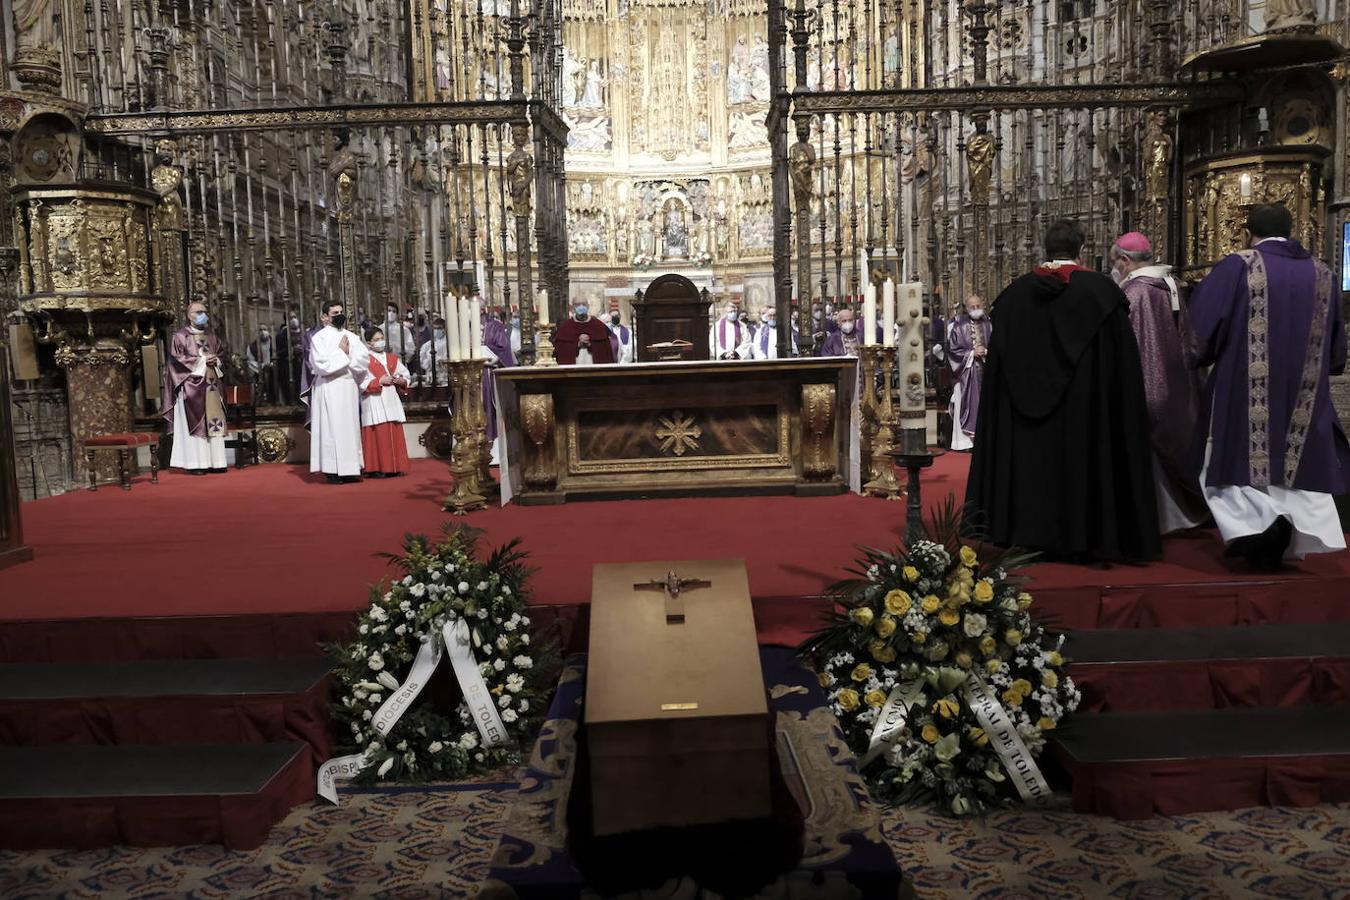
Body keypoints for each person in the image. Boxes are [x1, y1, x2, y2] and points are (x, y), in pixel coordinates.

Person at [965, 219, 1160, 562]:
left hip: (1024, 428)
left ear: (1045, 248)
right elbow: (1122, 373)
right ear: (1081, 249)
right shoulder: (1101, 294)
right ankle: (1086, 535)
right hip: (1085, 417)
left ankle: (1022, 530)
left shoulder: (1013, 296)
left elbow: (997, 371)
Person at [1188, 204, 1348, 568]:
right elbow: (1337, 345)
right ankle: (1289, 531)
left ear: (1249, 231)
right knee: (1294, 465)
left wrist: (1195, 355)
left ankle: (1256, 531)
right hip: (1303, 394)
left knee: (1234, 457)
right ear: (1292, 231)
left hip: (1243, 387)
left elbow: (1202, 327)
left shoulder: (1239, 266)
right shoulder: (1322, 272)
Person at [1110, 231, 1208, 533]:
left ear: (1125, 261)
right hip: (1179, 383)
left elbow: (1127, 346)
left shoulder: (1135, 293)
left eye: (1115, 262)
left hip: (1147, 385)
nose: (1114, 268)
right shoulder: (1173, 286)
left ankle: (1160, 520)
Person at [307, 301, 370, 483]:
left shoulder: (352, 337)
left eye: (341, 312)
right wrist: (343, 353)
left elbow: (363, 362)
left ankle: (350, 469)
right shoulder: (319, 338)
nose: (339, 315)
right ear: (325, 316)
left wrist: (348, 353)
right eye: (335, 313)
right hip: (329, 386)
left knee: (349, 428)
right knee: (331, 429)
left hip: (347, 386)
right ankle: (332, 470)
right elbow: (321, 364)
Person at [164, 301, 228, 474]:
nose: (203, 315)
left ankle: (217, 462)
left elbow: (221, 355)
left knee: (214, 422)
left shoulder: (212, 336)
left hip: (213, 385)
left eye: (205, 311)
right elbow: (176, 362)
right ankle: (196, 463)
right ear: (188, 315)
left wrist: (217, 361)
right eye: (198, 312)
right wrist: (202, 361)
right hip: (191, 388)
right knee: (196, 423)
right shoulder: (180, 336)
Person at [359, 326, 411, 478]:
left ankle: (396, 466)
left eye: (381, 338)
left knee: (393, 430)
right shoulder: (364, 359)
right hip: (374, 399)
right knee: (377, 433)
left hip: (391, 398)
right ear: (369, 343)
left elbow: (406, 375)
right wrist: (380, 380)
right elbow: (360, 381)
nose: (380, 342)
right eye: (376, 340)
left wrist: (402, 380)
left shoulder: (392, 358)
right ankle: (377, 468)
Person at [947, 294, 992, 452]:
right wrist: (972, 353)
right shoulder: (959, 328)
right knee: (966, 405)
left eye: (978, 306)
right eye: (972, 307)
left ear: (983, 305)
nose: (976, 309)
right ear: (966, 309)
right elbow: (952, 351)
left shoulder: (990, 325)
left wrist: (985, 351)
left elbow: (998, 347)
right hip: (966, 374)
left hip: (986, 372)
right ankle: (966, 443)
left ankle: (985, 441)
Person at [554, 298, 615, 365]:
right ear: (572, 307)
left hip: (595, 369)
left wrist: (590, 344)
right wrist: (577, 344)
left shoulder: (598, 326)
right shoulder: (565, 327)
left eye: (584, 304)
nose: (581, 307)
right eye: (577, 304)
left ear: (588, 306)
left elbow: (605, 350)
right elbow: (561, 350)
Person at [418, 317, 451, 384]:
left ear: (444, 329)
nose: (436, 330)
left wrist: (438, 360)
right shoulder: (427, 345)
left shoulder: (449, 344)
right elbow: (422, 361)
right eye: (435, 328)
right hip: (431, 376)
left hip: (444, 377)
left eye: (439, 328)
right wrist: (430, 362)